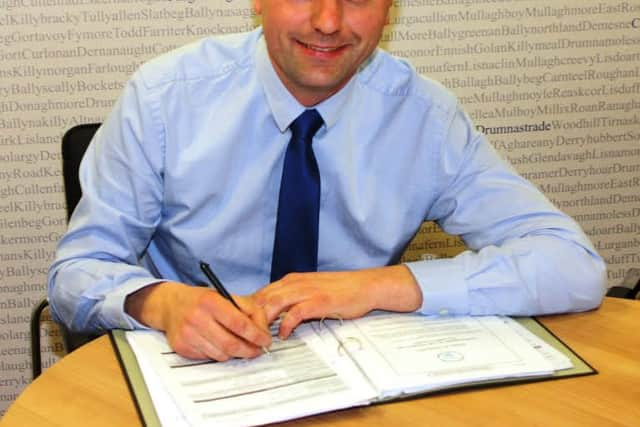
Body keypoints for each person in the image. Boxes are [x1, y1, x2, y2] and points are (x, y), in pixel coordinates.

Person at [48, 0, 606, 362]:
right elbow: (77, 272)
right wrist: (163, 304)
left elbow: (572, 266)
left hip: (362, 380)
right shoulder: (164, 98)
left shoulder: (425, 118)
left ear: (390, 9)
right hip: (196, 374)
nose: (329, 21)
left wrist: (372, 286)